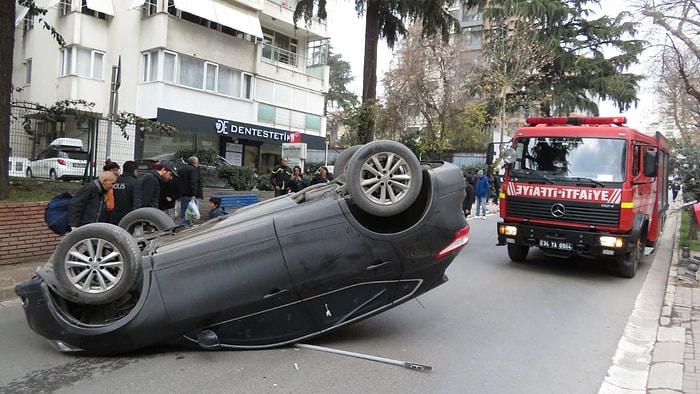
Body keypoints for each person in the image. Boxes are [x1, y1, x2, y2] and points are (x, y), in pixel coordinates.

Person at [110, 160, 138, 225]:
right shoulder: (135, 182)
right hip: (128, 216)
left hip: (114, 215)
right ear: (134, 170)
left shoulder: (116, 180)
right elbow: (136, 200)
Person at [178, 156, 203, 225]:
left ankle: (183, 225)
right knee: (192, 213)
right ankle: (189, 226)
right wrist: (193, 194)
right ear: (196, 162)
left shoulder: (182, 169)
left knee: (184, 213)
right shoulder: (194, 170)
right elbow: (193, 182)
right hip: (191, 195)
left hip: (183, 195)